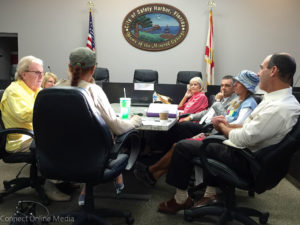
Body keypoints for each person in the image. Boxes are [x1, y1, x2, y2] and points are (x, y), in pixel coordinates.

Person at [157, 53, 300, 214]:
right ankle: (209, 193)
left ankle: (180, 199)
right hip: (251, 155)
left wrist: (223, 128)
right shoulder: (278, 101)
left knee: (183, 147)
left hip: (246, 160)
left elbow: (242, 139)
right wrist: (228, 125)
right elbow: (248, 127)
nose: (259, 73)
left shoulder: (278, 108)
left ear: (273, 70)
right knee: (205, 140)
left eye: (261, 68)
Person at [134, 71, 259, 186]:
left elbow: (238, 124)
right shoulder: (237, 101)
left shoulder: (248, 103)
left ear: (245, 86)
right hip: (215, 131)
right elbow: (224, 119)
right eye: (224, 85)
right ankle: (153, 173)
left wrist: (217, 105)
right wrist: (220, 121)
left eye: (236, 83)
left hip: (221, 138)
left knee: (179, 146)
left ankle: (156, 175)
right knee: (178, 145)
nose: (232, 86)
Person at [57, 47, 143, 205]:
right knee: (112, 134)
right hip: (90, 157)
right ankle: (116, 178)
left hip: (56, 158)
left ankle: (89, 189)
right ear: (93, 69)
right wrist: (134, 121)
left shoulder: (53, 89)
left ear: (69, 67)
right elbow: (117, 127)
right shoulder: (92, 90)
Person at [0, 55, 71, 201]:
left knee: (67, 134)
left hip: (35, 133)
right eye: (37, 73)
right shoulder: (15, 91)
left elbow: (48, 106)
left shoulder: (35, 89)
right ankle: (49, 184)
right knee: (56, 141)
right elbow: (26, 115)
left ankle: (64, 178)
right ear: (24, 73)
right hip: (19, 140)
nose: (41, 76)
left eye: (42, 72)